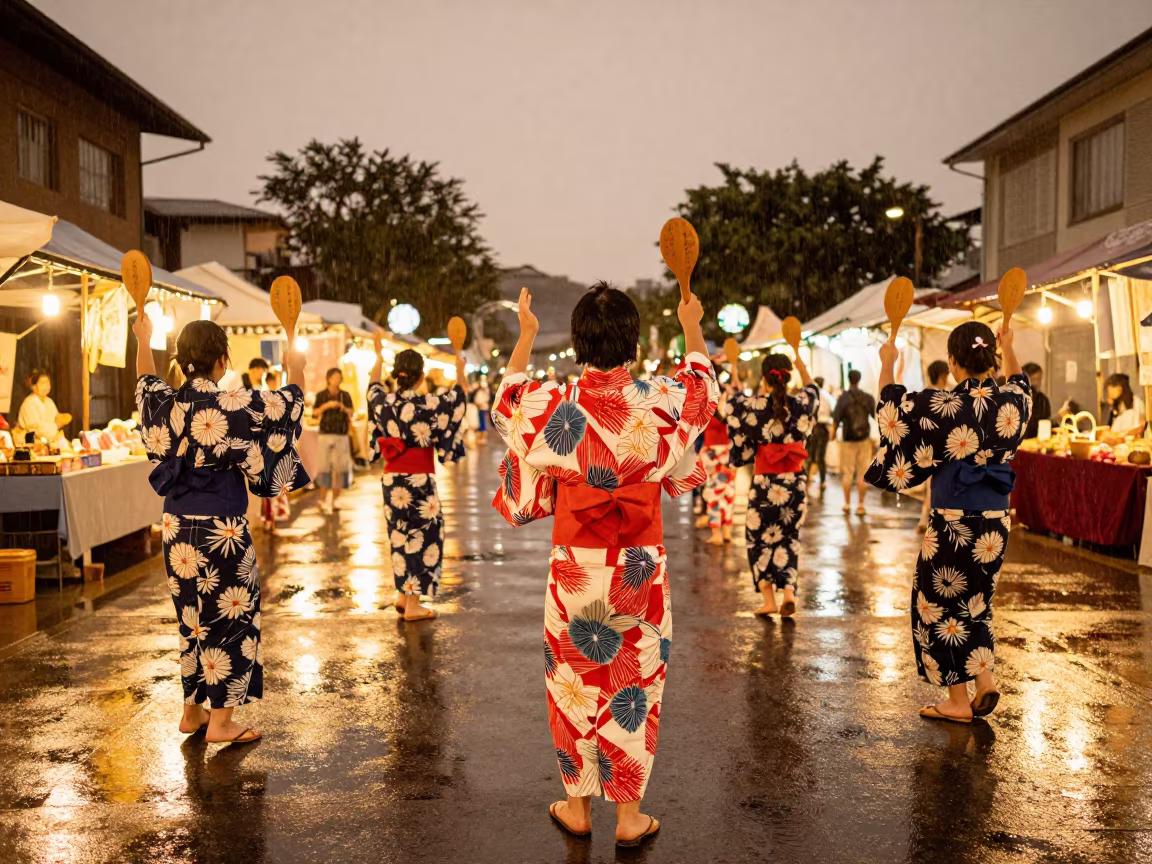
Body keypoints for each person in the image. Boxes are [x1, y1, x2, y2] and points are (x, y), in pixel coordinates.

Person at [491, 283, 717, 846]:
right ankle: (629, 817)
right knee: (633, 683)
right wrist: (692, 325)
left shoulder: (554, 404)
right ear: (634, 343)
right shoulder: (662, 398)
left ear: (577, 342)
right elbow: (702, 390)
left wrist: (524, 337)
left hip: (574, 565)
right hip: (640, 565)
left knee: (572, 681)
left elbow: (507, 399)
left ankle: (577, 808)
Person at [132, 315, 309, 744]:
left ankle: (192, 713)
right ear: (222, 359)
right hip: (222, 529)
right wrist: (294, 359)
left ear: (181, 360)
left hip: (176, 529)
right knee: (231, 618)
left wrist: (142, 337)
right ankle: (222, 722)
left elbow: (144, 380)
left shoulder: (165, 402)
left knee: (191, 618)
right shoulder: (235, 402)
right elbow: (292, 401)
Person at [865, 320, 1030, 724]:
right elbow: (1020, 379)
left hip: (954, 521)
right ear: (991, 358)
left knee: (937, 607)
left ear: (953, 362)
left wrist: (888, 363)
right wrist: (1008, 347)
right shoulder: (1013, 401)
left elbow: (890, 417)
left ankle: (957, 700)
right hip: (995, 521)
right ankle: (984, 680)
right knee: (976, 601)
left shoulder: (940, 404)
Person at [366, 334, 467, 622]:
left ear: (396, 375)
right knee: (424, 536)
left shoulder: (383, 403)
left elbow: (371, 387)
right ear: (421, 376)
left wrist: (377, 356)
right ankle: (412, 604)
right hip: (420, 480)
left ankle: (402, 595)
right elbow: (458, 399)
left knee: (400, 535)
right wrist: (459, 369)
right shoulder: (429, 404)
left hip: (392, 481)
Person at [726, 352, 818, 617]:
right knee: (790, 537)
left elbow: (733, 403)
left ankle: (769, 601)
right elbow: (813, 390)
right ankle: (789, 592)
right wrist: (802, 364)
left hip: (766, 484)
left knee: (758, 539)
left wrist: (734, 370)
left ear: (764, 378)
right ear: (789, 376)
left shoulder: (754, 405)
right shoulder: (802, 403)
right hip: (795, 484)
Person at [696, 363, 736, 545]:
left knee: (712, 493)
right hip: (727, 452)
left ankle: (717, 534)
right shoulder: (728, 398)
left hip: (711, 452)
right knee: (727, 492)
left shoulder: (707, 398)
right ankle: (727, 531)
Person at [916, 360, 952, 534]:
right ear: (942, 376)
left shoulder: (921, 396)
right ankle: (933, 522)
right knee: (936, 487)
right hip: (938, 450)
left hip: (923, 449)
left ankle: (925, 519)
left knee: (929, 486)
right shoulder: (944, 398)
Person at [832, 369, 875, 516]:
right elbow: (876, 416)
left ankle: (847, 504)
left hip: (848, 440)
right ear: (859, 379)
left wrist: (833, 433)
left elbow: (836, 417)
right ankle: (861, 505)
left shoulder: (843, 397)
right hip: (864, 439)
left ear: (849, 379)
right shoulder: (867, 397)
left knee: (847, 473)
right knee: (862, 474)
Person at [313, 368, 355, 514]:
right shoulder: (321, 395)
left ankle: (336, 499)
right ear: (329, 379)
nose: (338, 379)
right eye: (335, 377)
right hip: (325, 434)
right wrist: (326, 406)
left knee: (339, 468)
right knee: (324, 467)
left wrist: (342, 407)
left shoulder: (345, 395)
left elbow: (352, 412)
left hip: (341, 434)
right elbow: (314, 412)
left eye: (339, 377)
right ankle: (323, 499)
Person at [17, 369, 70, 442]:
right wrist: (56, 425)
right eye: (42, 383)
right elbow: (35, 428)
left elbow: (57, 417)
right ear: (34, 387)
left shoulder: (49, 401)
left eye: (47, 383)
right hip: (32, 442)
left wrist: (64, 417)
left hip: (49, 439)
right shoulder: (29, 403)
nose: (45, 387)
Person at [804, 376, 834, 494]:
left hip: (812, 427)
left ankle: (806, 481)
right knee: (821, 457)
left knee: (810, 456)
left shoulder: (811, 395)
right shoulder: (827, 396)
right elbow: (834, 410)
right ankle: (822, 481)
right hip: (823, 428)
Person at [1103, 373, 1145, 439]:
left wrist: (1123, 434)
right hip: (1115, 441)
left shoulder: (1136, 403)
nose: (1109, 392)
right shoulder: (1115, 404)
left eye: (1111, 388)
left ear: (1120, 388)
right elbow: (1106, 426)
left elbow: (1141, 427)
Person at [1021, 363, 1051, 440]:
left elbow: (1045, 426)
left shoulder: (1043, 400)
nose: (1038, 383)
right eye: (1034, 379)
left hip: (1037, 442)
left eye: (1039, 379)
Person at [471, 375, 492, 445]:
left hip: (482, 409)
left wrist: (479, 404)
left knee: (482, 423)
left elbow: (483, 400)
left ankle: (483, 438)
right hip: (481, 408)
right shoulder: (482, 391)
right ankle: (481, 438)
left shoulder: (484, 391)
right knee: (481, 423)